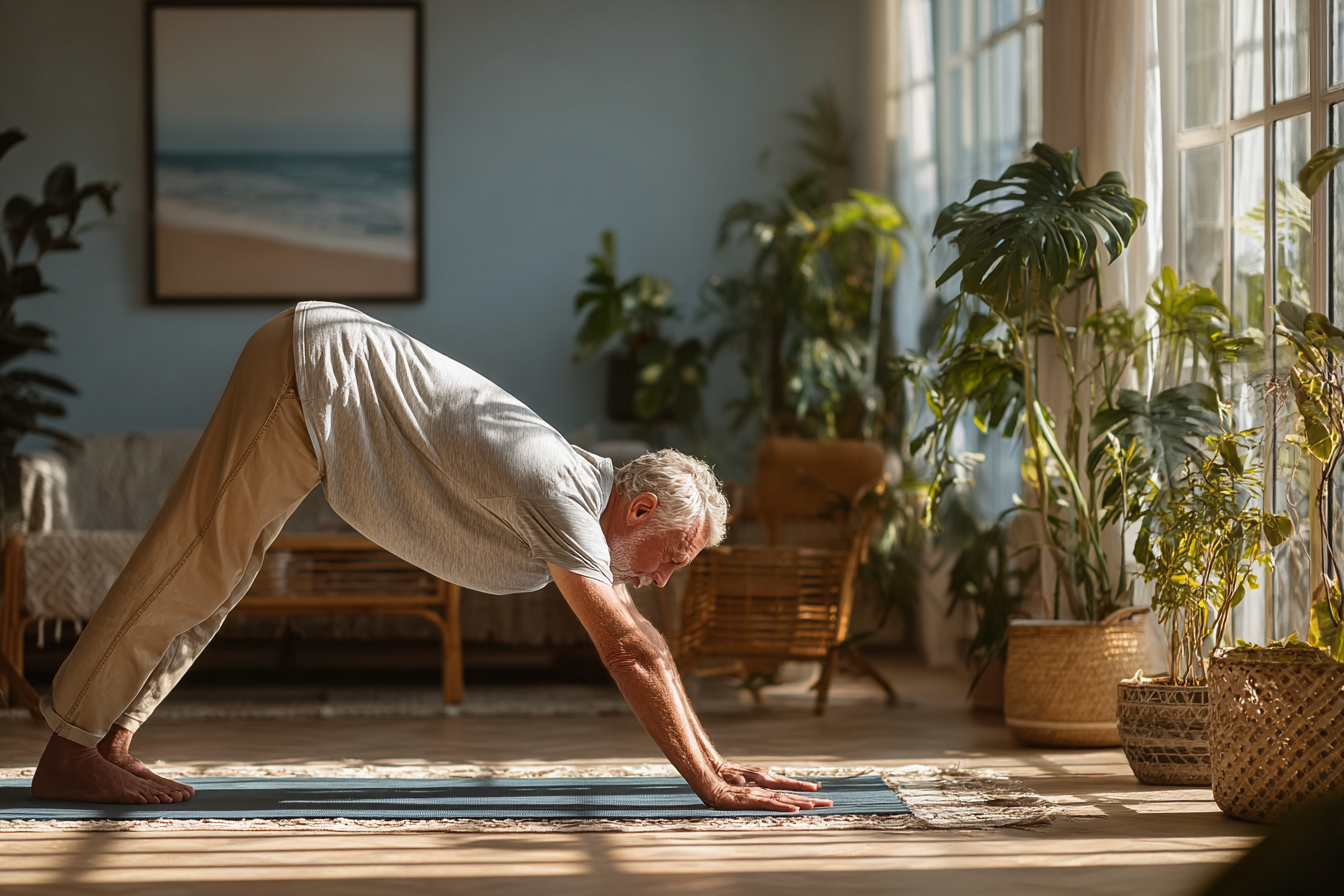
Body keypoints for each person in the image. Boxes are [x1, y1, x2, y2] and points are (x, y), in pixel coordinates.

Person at [29, 302, 830, 813]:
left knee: (221, 577)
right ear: (642, 506)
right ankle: (68, 750)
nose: (658, 577)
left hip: (320, 389)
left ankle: (109, 738)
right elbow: (629, 647)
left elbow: (638, 639)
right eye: (669, 557)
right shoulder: (563, 493)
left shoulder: (578, 493)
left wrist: (720, 761)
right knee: (193, 563)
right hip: (308, 370)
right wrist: (710, 781)